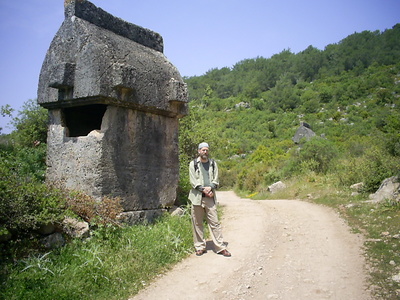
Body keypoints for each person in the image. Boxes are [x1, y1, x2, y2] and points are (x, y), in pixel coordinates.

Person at [188, 142, 231, 257]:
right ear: (199, 151)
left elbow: (216, 179)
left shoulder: (213, 164)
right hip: (197, 198)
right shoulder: (193, 164)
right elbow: (193, 181)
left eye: (207, 150)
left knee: (215, 222)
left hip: (210, 198)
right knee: (197, 223)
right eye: (203, 150)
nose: (205, 152)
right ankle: (200, 247)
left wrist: (210, 188)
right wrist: (203, 189)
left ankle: (220, 247)